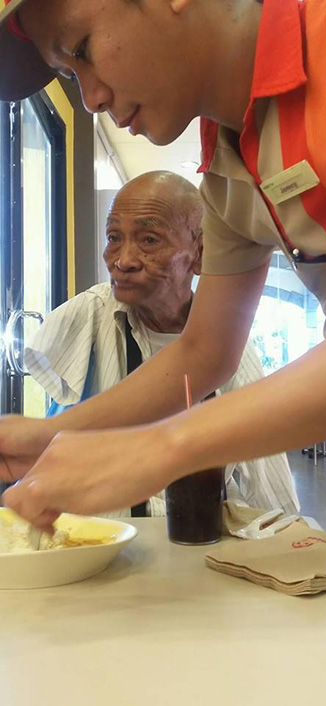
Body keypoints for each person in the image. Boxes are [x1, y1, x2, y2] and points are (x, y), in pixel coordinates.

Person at [0, 0, 326, 572]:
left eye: (81, 50)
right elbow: (205, 351)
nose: (90, 98)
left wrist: (159, 450)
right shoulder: (228, 157)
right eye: (68, 74)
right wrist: (52, 436)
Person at [24, 171, 300, 518]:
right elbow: (57, 423)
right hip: (95, 539)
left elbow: (271, 489)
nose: (122, 261)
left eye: (149, 240)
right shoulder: (89, 315)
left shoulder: (232, 352)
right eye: (113, 237)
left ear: (200, 254)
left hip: (191, 539)